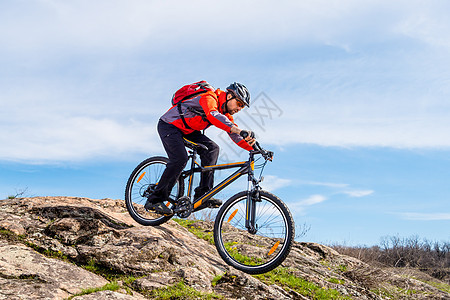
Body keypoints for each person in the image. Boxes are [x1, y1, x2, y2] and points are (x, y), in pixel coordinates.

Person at [145, 82, 256, 215]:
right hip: (169, 126)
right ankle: (154, 200)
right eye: (239, 104)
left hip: (188, 130)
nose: (239, 108)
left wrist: (254, 149)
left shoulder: (224, 113)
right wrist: (238, 129)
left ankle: (202, 195)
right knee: (180, 159)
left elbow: (234, 134)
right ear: (229, 96)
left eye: (242, 107)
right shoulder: (210, 98)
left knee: (212, 149)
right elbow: (213, 115)